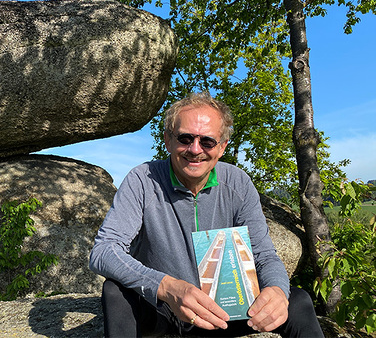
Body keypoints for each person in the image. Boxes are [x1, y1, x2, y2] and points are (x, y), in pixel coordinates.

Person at [89, 92, 323, 337]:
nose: (195, 149)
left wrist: (276, 290)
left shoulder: (238, 183)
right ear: (168, 140)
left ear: (222, 147)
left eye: (208, 142)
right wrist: (167, 287)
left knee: (296, 301)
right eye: (185, 138)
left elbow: (263, 255)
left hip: (225, 310)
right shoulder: (143, 180)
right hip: (163, 308)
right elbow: (104, 251)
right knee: (115, 292)